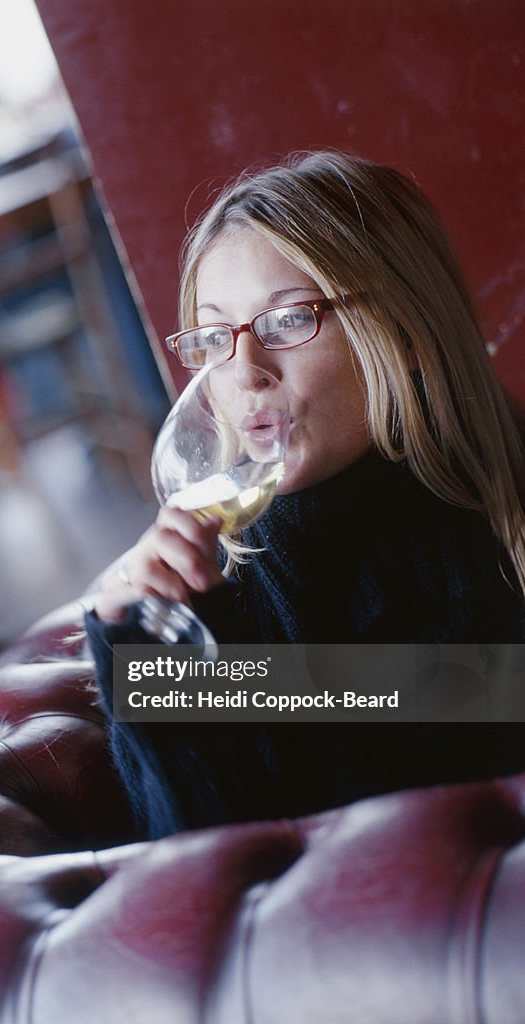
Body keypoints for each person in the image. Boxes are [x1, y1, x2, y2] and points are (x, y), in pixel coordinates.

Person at [84, 150, 525, 840]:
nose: (243, 371)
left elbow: (468, 699)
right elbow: (202, 874)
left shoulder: (502, 520)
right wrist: (143, 663)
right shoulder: (230, 584)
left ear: (404, 330)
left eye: (287, 319)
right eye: (213, 335)